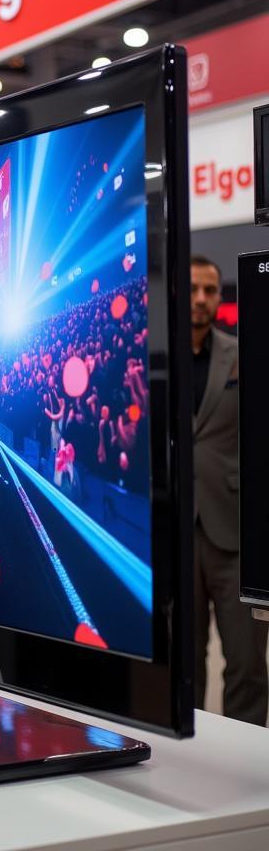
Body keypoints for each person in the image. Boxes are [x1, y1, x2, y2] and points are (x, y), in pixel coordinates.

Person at [191, 254, 268, 725]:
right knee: (185, 664)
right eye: (195, 289)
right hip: (177, 532)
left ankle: (248, 764)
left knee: (245, 663)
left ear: (220, 297)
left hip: (235, 530)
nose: (202, 299)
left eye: (211, 290)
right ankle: (189, 762)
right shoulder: (156, 358)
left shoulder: (243, 355)